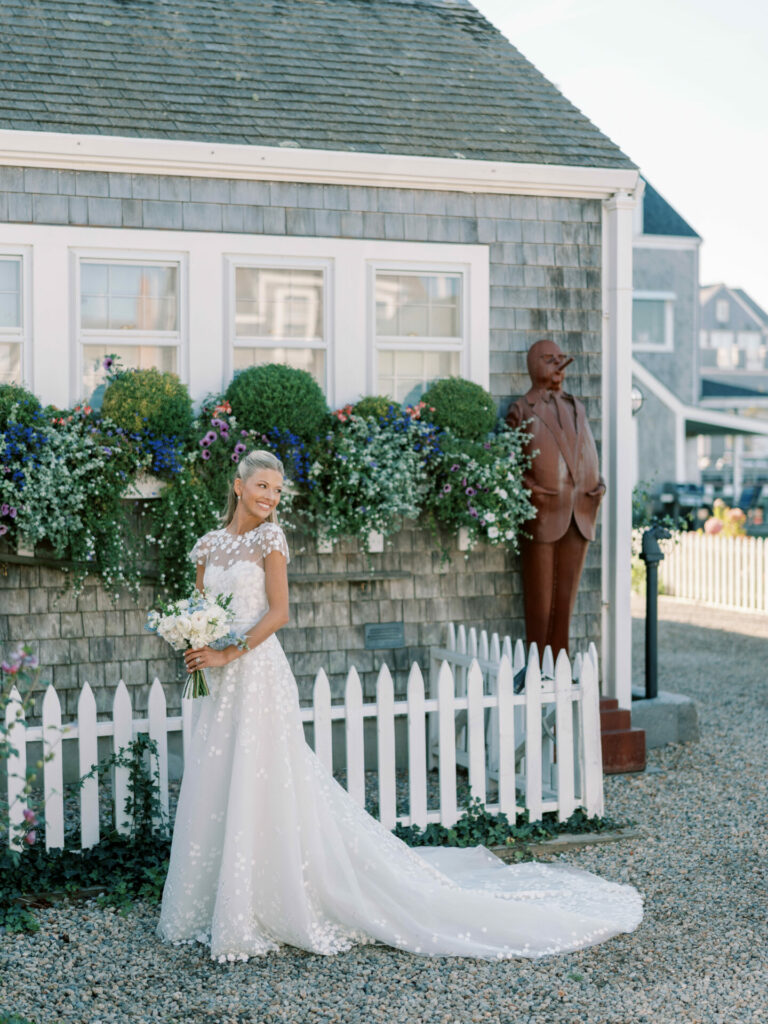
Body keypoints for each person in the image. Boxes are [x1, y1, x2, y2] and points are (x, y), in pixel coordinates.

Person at [157, 449, 641, 962]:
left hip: (255, 672)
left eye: (277, 490)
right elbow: (201, 608)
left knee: (265, 775)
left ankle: (269, 898)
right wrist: (195, 639)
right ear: (238, 486)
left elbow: (279, 613)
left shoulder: (270, 539)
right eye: (261, 486)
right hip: (218, 678)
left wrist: (230, 649)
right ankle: (218, 897)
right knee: (219, 772)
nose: (270, 497)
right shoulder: (207, 546)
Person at [506, 339, 606, 657]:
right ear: (535, 365)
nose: (559, 367)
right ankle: (538, 666)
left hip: (582, 509)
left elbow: (585, 450)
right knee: (540, 600)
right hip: (543, 511)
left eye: (561, 360)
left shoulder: (578, 406)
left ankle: (559, 663)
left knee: (566, 599)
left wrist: (597, 483)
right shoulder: (522, 408)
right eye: (551, 360)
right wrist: (529, 488)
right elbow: (507, 461)